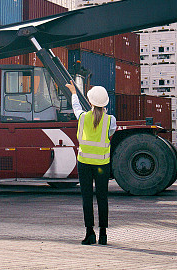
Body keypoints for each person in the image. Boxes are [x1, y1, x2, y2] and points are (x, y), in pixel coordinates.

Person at [65, 83, 117, 246]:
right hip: (102, 164)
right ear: (106, 103)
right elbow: (110, 134)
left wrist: (74, 92)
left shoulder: (82, 117)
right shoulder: (111, 120)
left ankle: (89, 234)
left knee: (86, 198)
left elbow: (76, 107)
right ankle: (103, 235)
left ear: (90, 102)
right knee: (102, 198)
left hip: (84, 164)